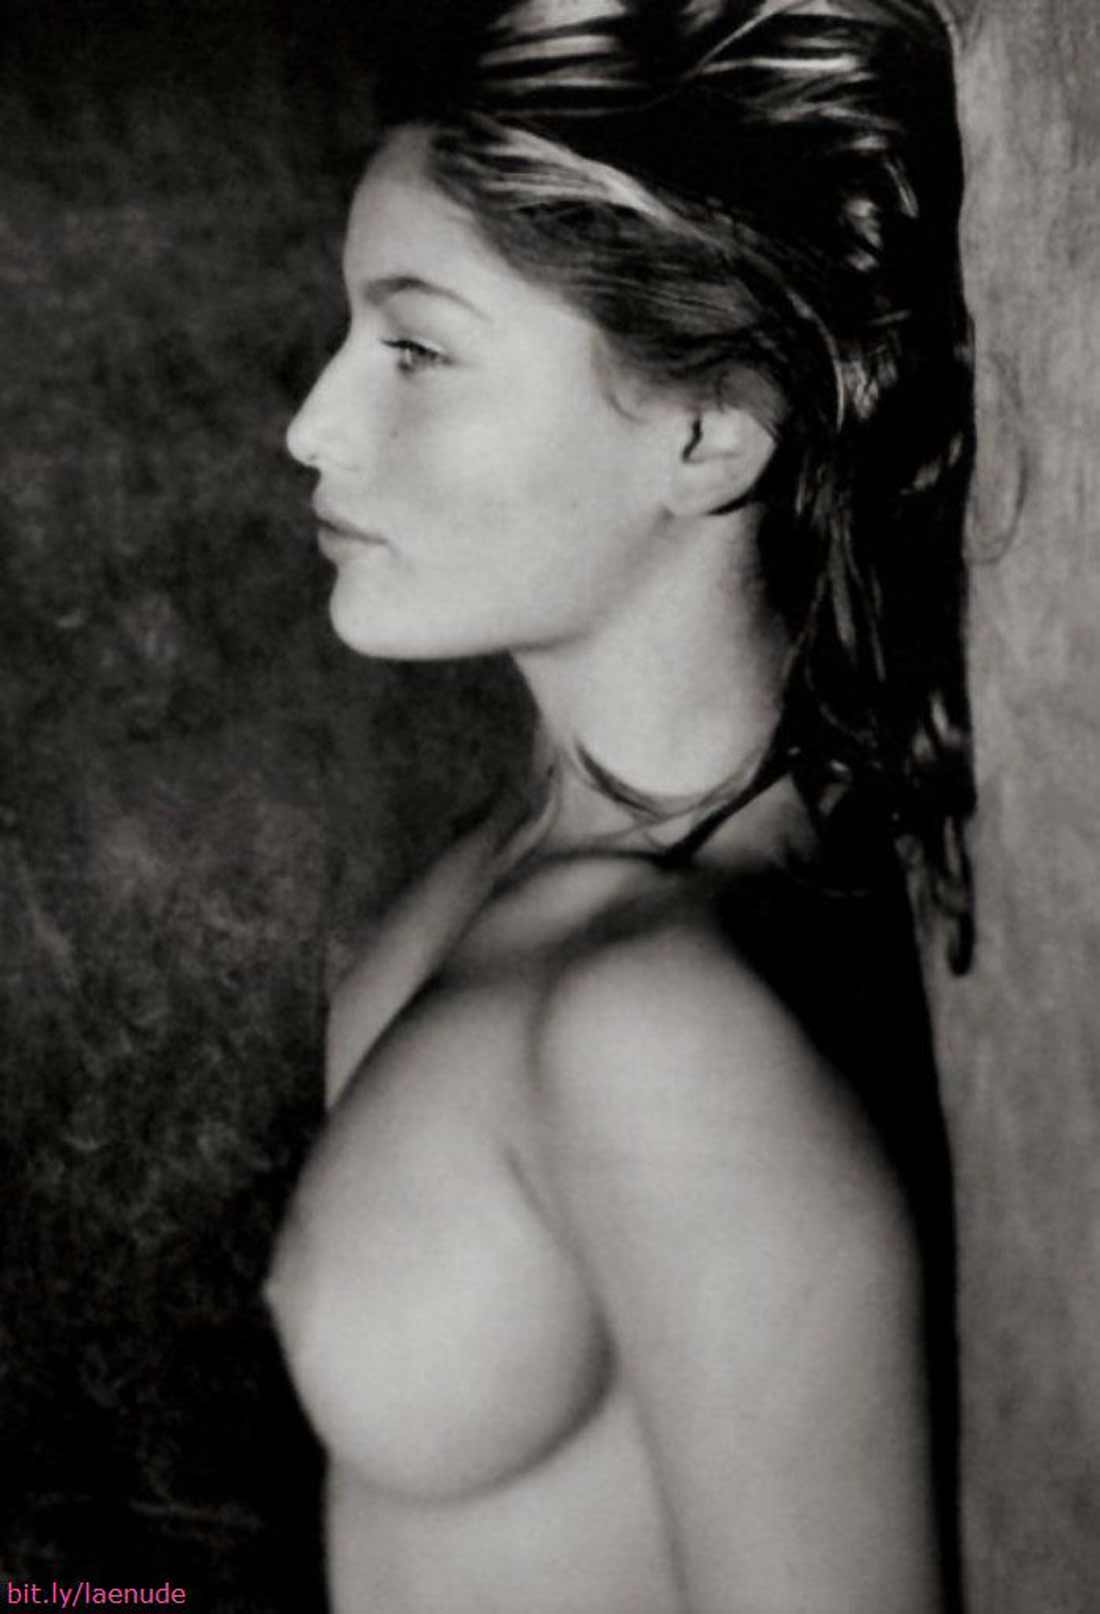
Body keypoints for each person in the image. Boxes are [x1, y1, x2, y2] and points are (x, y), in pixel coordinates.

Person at [266, 1, 976, 1609]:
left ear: (708, 430)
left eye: (417, 349)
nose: (313, 425)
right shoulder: (502, 875)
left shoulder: (668, 1043)